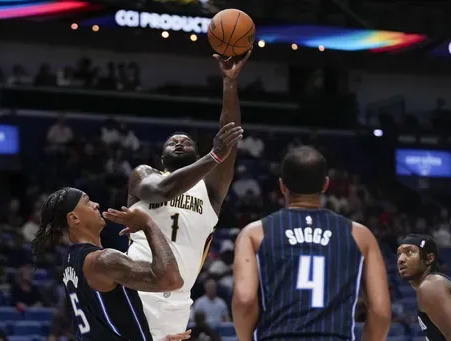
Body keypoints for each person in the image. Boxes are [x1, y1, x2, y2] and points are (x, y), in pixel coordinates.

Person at [126, 51, 251, 340]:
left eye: (186, 141)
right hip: (134, 286)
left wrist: (229, 83)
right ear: (162, 157)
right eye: (173, 141)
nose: (179, 141)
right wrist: (213, 155)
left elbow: (229, 133)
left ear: (197, 152)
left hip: (178, 301)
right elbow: (163, 190)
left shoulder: (210, 189)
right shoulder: (144, 175)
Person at [232, 146, 392, 341]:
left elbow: (244, 301)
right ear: (325, 185)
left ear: (282, 186)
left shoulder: (254, 233)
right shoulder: (360, 235)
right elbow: (381, 312)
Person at [31, 187, 191, 341]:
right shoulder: (103, 261)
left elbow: (99, 322)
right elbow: (171, 280)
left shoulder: (70, 261)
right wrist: (147, 223)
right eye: (87, 202)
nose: (96, 204)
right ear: (74, 218)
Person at [397, 234, 451, 340]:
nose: (400, 259)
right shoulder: (433, 285)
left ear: (429, 259)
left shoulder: (431, 286)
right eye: (399, 254)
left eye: (409, 252)